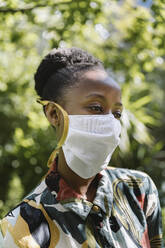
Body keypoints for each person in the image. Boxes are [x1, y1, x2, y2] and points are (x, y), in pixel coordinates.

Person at [0, 47, 163, 248]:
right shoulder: (22, 232)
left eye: (117, 113)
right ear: (54, 114)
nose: (111, 123)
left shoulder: (138, 189)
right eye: (96, 108)